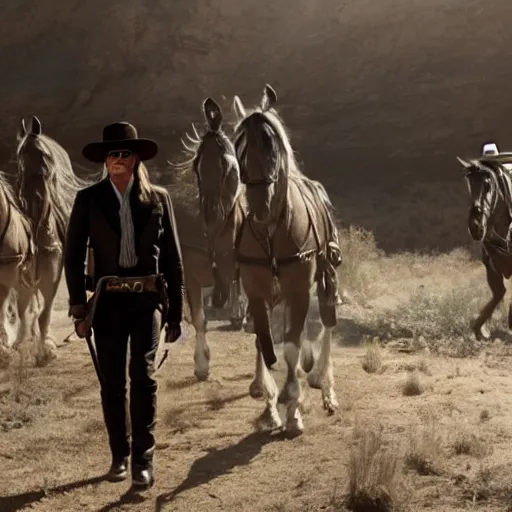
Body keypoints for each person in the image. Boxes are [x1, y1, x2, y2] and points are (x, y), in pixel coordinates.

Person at [64, 122, 184, 490]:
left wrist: (176, 312)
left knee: (143, 376)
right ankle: (119, 454)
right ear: (105, 160)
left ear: (135, 159)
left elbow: (173, 259)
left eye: (125, 153)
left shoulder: (158, 199)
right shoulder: (88, 199)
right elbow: (71, 257)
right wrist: (79, 308)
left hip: (147, 300)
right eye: (112, 153)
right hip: (107, 301)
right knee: (112, 381)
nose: (118, 159)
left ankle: (142, 462)